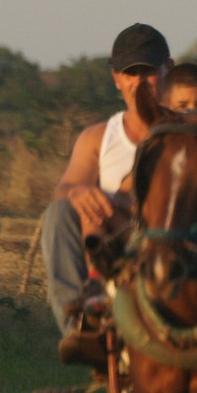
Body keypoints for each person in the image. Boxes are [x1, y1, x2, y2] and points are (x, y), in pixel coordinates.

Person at [40, 23, 173, 365]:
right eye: (130, 73)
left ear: (167, 70)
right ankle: (81, 324)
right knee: (59, 212)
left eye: (148, 72)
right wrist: (81, 191)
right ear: (116, 78)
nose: (139, 83)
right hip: (111, 248)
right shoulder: (99, 138)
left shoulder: (185, 134)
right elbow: (64, 189)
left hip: (168, 248)